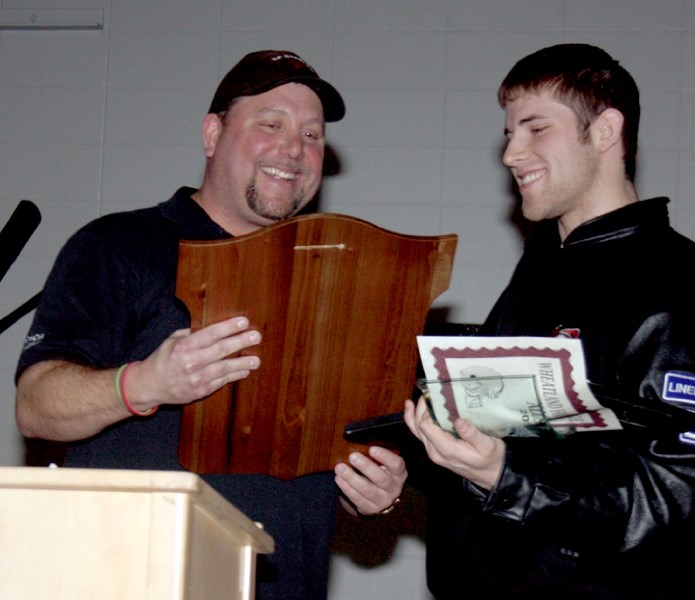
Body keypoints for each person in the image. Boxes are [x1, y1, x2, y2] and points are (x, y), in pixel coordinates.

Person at [15, 50, 406, 600]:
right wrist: (148, 383)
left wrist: (372, 491)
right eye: (270, 124)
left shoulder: (339, 282)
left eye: (312, 135)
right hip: (135, 580)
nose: (294, 148)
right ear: (212, 134)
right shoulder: (117, 246)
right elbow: (34, 407)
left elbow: (331, 463)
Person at [404, 43, 695, 600]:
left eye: (535, 129)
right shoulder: (543, 272)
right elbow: (506, 444)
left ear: (606, 131)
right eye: (508, 135)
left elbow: (676, 502)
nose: (511, 154)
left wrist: (506, 480)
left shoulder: (676, 290)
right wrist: (407, 470)